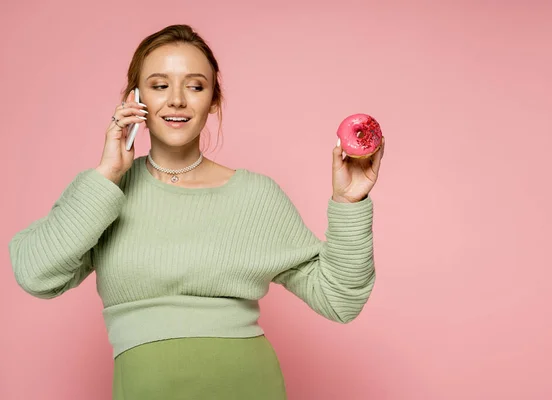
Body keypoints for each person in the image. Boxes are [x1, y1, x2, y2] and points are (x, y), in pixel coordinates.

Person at [8, 24, 385, 400]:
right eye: (159, 85)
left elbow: (339, 300)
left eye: (195, 85)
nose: (176, 100)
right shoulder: (102, 193)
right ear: (134, 100)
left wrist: (349, 203)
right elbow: (35, 273)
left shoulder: (255, 196)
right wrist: (107, 174)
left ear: (212, 100)